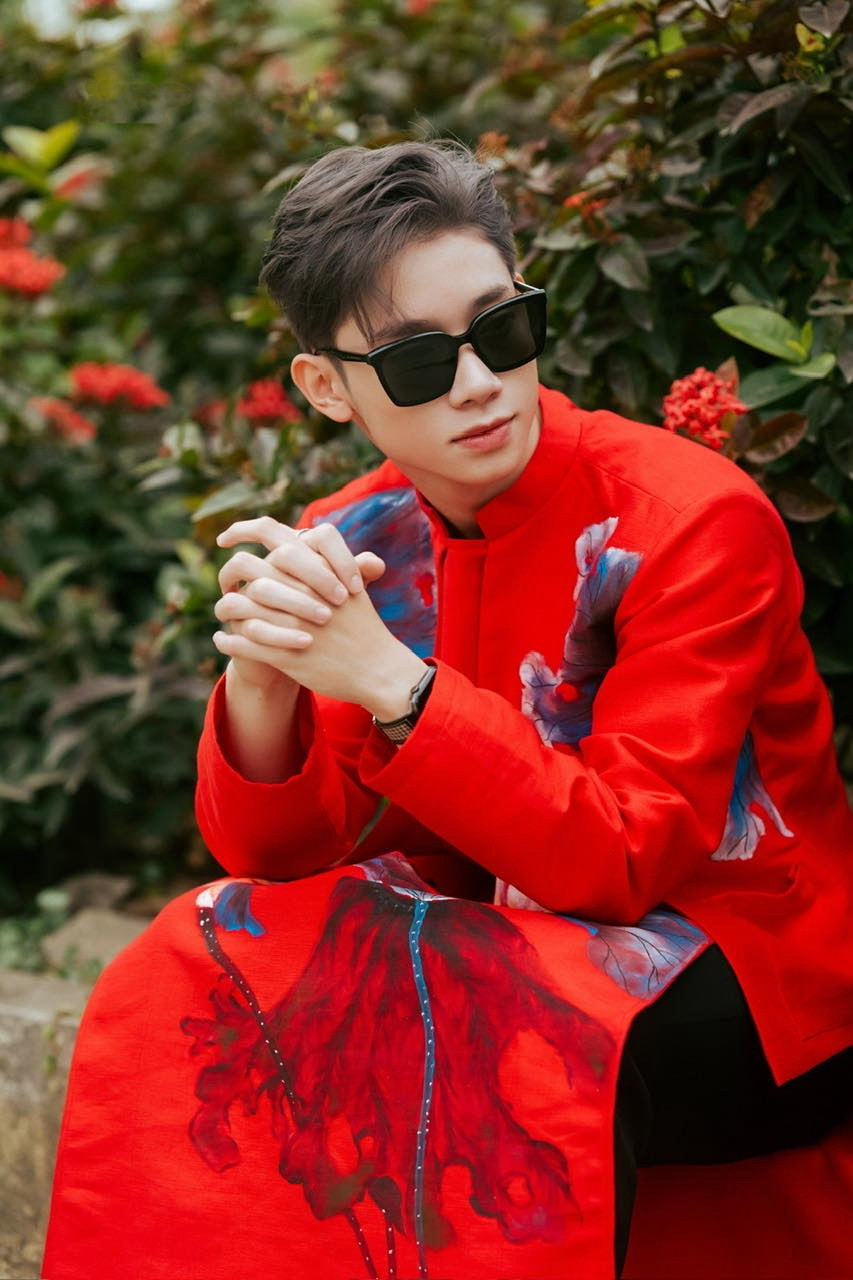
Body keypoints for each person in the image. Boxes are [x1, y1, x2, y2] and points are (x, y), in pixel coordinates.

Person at [44, 140, 853, 1280]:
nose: (477, 382)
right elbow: (278, 859)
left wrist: (394, 684)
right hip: (506, 939)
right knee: (206, 948)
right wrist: (263, 681)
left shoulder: (690, 519)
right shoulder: (358, 534)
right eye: (420, 359)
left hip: (755, 979)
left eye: (501, 330)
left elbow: (624, 856)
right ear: (326, 387)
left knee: (496, 1019)